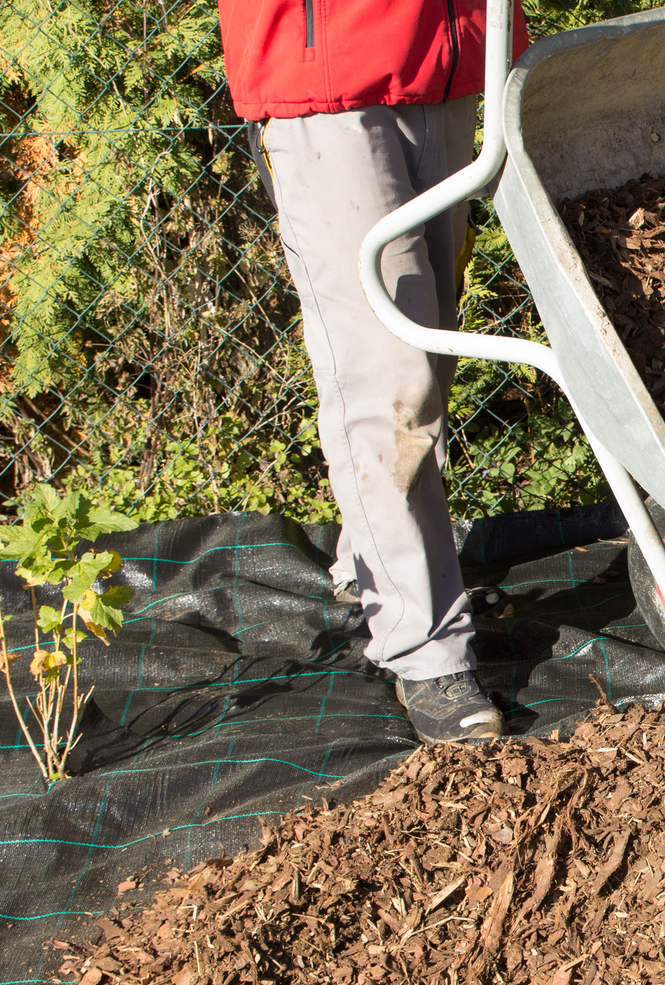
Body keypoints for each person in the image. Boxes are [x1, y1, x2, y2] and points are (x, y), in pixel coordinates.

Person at [218, 0, 527, 743]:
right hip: (331, 72)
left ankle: (376, 564)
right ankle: (424, 647)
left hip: (450, 56)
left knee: (430, 344)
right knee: (387, 372)